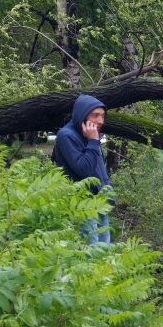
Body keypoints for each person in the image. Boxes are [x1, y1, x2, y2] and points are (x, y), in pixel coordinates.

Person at [51, 94, 112, 244]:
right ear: (82, 114)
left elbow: (99, 168)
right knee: (91, 249)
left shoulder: (90, 135)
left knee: (105, 249)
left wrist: (108, 191)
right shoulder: (67, 136)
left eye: (102, 116)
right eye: (95, 115)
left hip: (99, 201)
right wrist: (92, 141)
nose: (100, 121)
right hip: (82, 203)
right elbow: (85, 170)